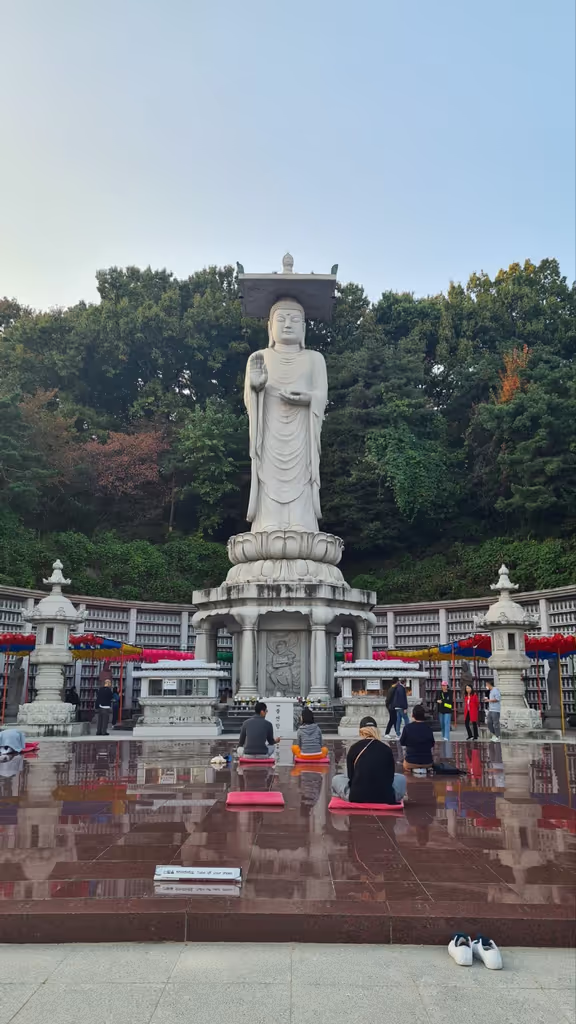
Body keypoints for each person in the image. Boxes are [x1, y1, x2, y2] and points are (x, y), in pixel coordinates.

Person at [331, 716, 406, 805]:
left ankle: (341, 797)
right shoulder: (386, 749)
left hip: (357, 796)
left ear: (361, 731)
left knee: (337, 779)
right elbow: (390, 777)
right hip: (385, 797)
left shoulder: (354, 748)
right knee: (401, 778)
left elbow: (351, 777)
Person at [399, 704, 435, 771]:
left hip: (411, 761)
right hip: (427, 762)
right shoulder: (428, 728)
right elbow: (432, 744)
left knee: (404, 763)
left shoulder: (407, 728)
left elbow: (402, 742)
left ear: (413, 715)